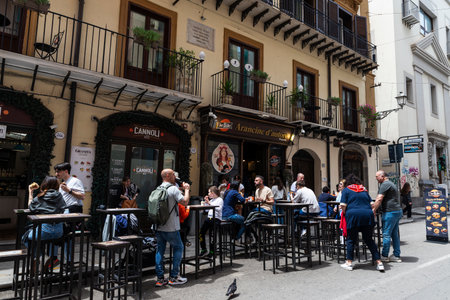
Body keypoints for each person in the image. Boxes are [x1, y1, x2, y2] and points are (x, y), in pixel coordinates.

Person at [339, 174, 384, 272]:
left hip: (353, 216)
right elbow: (372, 204)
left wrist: (347, 213)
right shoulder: (364, 189)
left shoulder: (346, 190)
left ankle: (349, 263)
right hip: (367, 216)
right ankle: (379, 262)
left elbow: (343, 206)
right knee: (369, 239)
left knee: (351, 240)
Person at [155, 169, 190, 287]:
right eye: (173, 174)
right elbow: (185, 202)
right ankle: (174, 277)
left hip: (159, 226)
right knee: (178, 247)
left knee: (160, 250)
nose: (175, 176)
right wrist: (187, 190)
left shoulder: (158, 188)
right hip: (171, 226)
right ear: (168, 176)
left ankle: (160, 279)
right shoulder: (173, 189)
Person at [24, 176, 66, 269]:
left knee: (27, 237)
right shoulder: (59, 196)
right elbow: (63, 209)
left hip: (43, 231)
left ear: (44, 184)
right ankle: (47, 258)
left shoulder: (41, 196)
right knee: (40, 237)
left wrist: (30, 192)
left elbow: (30, 207)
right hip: (59, 232)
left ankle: (38, 257)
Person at [373, 170, 403, 263]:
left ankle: (384, 256)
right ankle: (396, 255)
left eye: (377, 176)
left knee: (386, 234)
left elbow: (379, 198)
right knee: (394, 234)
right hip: (396, 211)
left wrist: (373, 210)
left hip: (390, 212)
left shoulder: (385, 185)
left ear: (382, 176)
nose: (376, 179)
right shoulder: (390, 183)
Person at [244, 175, 274, 243]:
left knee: (249, 217)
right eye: (255, 180)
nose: (255, 182)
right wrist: (253, 201)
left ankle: (253, 236)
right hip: (258, 209)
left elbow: (272, 202)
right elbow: (256, 204)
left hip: (266, 210)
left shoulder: (267, 190)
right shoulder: (257, 190)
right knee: (247, 219)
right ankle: (255, 236)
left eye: (256, 180)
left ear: (261, 181)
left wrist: (264, 201)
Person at [199, 186, 223, 258]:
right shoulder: (211, 200)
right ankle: (203, 249)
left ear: (213, 193)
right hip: (209, 218)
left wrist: (209, 202)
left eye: (209, 192)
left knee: (212, 235)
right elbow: (206, 210)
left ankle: (212, 251)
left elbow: (218, 209)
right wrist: (206, 203)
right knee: (201, 233)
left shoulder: (220, 200)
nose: (208, 194)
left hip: (216, 219)